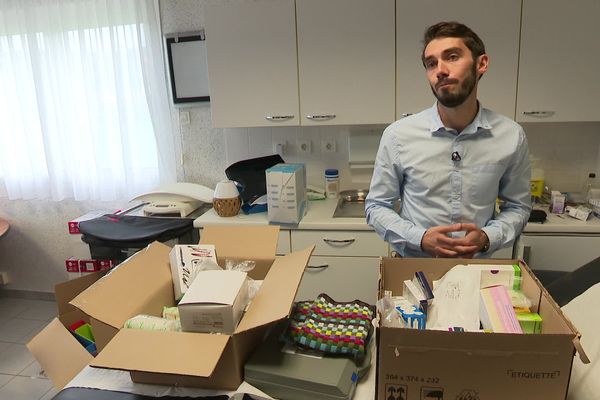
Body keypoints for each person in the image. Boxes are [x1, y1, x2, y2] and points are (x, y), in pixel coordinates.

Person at [365, 21, 531, 258]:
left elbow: (518, 207)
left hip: (476, 274)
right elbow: (376, 207)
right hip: (413, 272)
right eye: (431, 63)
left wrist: (487, 237)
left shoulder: (511, 136)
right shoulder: (398, 135)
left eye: (452, 57)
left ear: (481, 63)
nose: (440, 70)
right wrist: (420, 238)